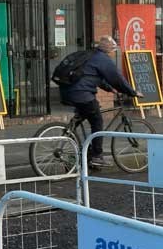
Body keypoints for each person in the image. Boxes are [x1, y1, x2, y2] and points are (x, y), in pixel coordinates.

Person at [60, 36, 142, 168]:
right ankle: (97, 156)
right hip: (82, 94)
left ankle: (84, 151)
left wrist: (111, 90)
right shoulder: (103, 59)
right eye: (113, 49)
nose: (112, 52)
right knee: (97, 120)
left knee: (87, 112)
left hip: (68, 91)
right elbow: (117, 78)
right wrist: (132, 92)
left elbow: (95, 78)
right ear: (108, 48)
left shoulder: (90, 55)